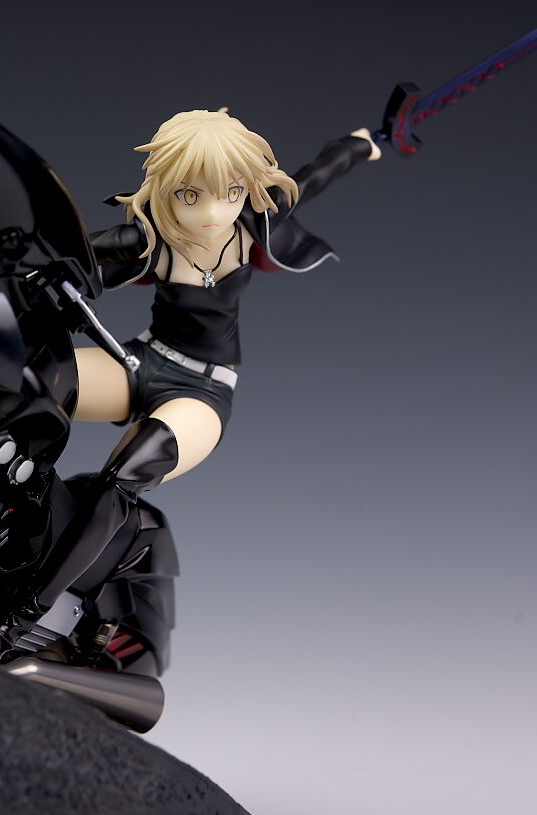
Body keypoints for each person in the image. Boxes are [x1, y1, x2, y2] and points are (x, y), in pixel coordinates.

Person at [27, 108, 381, 621]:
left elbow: (314, 175)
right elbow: (65, 253)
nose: (213, 212)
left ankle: (25, 609)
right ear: (165, 191)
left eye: (230, 192)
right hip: (141, 360)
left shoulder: (254, 225)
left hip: (202, 391)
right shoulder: (153, 240)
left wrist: (361, 143)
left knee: (122, 478)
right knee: (24, 381)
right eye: (190, 196)